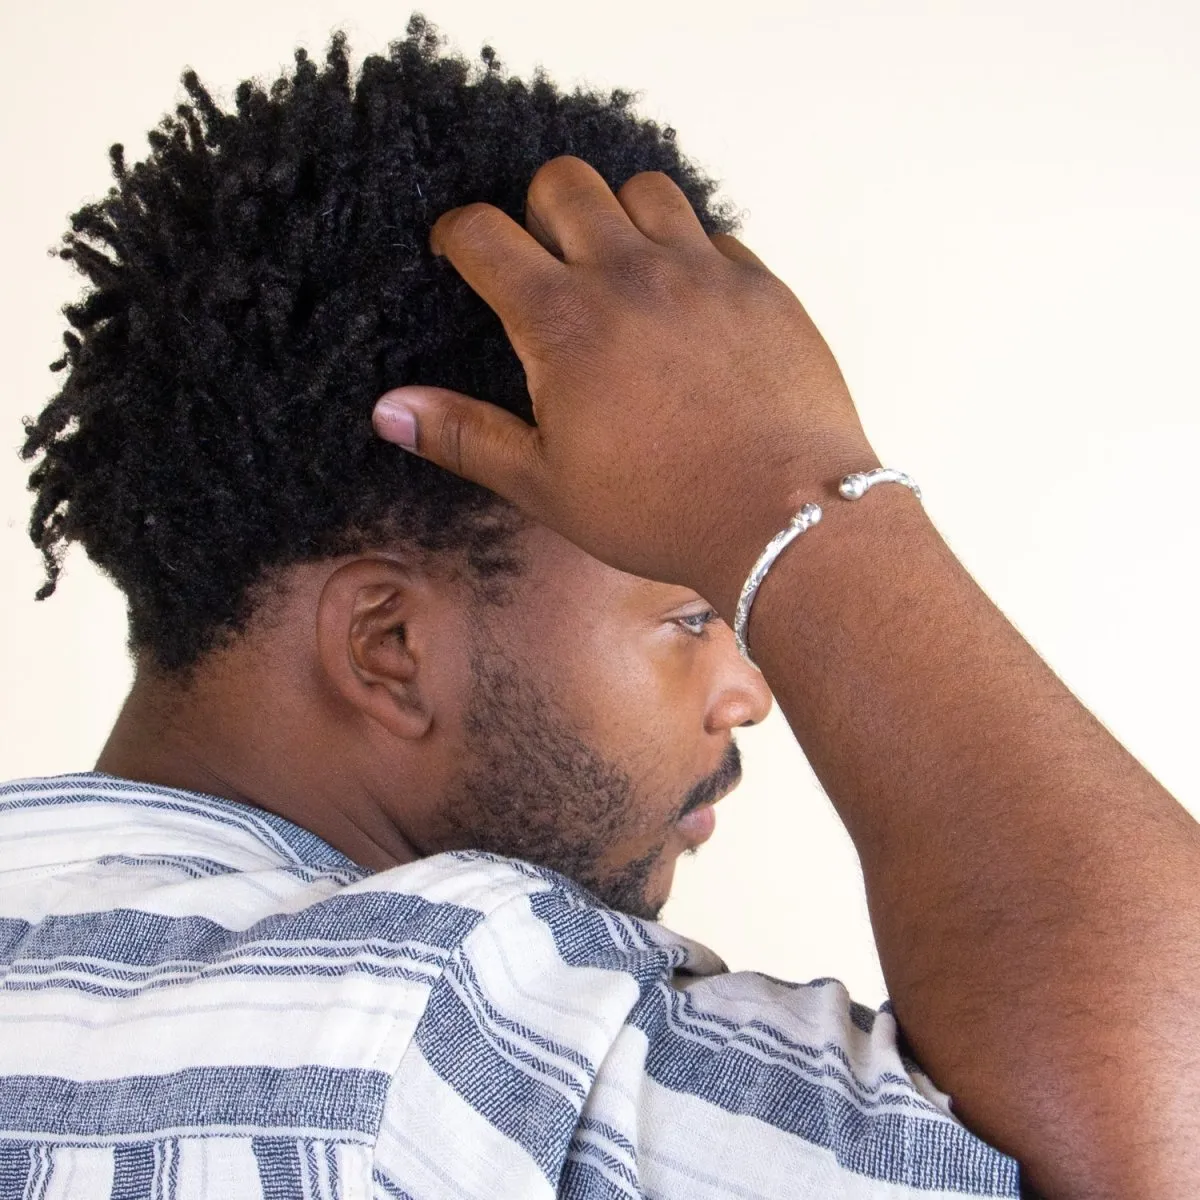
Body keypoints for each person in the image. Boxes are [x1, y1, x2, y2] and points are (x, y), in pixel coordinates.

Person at [3, 13, 1196, 1199]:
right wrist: (800, 491)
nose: (748, 689)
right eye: (691, 612)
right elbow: (1157, 1137)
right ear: (391, 645)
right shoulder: (426, 1033)